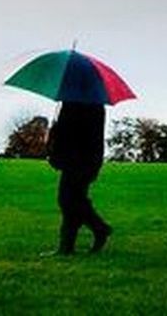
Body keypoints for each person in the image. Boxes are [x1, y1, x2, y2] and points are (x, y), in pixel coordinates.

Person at [44, 101, 112, 256]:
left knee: (68, 200)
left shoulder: (83, 104)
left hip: (80, 160)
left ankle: (99, 228)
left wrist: (56, 134)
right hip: (82, 160)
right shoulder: (82, 102)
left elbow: (74, 133)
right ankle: (67, 246)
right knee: (73, 200)